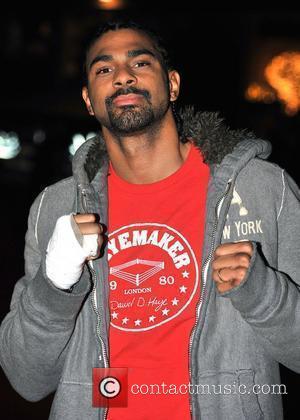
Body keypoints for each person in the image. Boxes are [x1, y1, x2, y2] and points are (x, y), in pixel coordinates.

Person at [0, 20, 299, 420]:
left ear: (172, 84)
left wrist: (264, 295)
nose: (123, 76)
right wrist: (53, 285)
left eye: (140, 63)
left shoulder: (264, 189)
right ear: (89, 99)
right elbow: (27, 379)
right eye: (104, 69)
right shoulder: (55, 208)